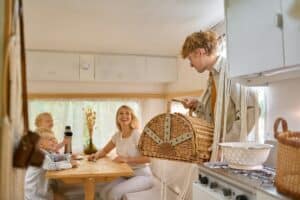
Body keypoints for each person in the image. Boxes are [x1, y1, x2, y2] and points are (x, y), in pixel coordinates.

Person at [181, 31, 259, 160]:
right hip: (217, 152)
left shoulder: (231, 70)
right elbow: (215, 114)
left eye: (190, 59)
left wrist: (225, 144)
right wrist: (197, 104)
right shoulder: (213, 76)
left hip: (230, 154)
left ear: (200, 52)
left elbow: (252, 109)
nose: (190, 65)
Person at [88, 105, 153, 200]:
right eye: (121, 113)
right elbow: (105, 150)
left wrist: (126, 159)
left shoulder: (136, 134)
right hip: (126, 175)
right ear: (117, 118)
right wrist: (95, 155)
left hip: (142, 176)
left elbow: (148, 158)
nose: (124, 116)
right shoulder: (117, 135)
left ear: (132, 118)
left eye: (127, 113)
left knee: (113, 193)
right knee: (103, 192)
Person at [24, 128, 78, 200]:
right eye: (50, 139)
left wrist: (69, 156)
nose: (55, 141)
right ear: (40, 144)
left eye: (54, 138)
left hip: (41, 189)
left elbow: (55, 157)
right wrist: (69, 164)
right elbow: (51, 166)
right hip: (35, 194)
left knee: (64, 197)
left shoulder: (45, 152)